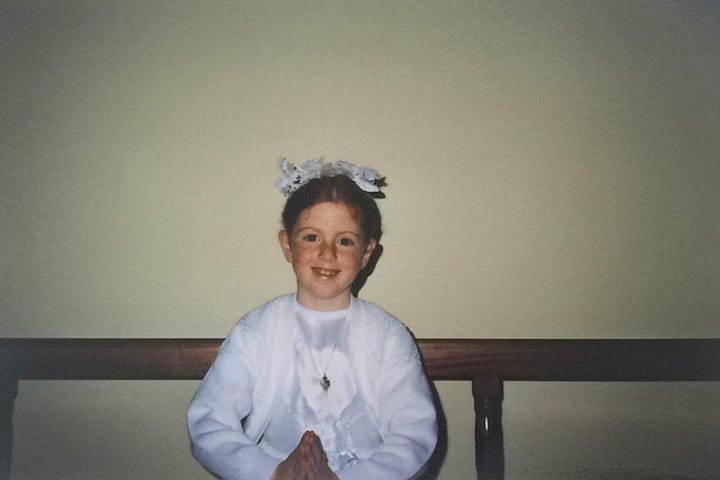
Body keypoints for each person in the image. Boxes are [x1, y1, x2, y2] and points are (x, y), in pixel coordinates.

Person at [187, 159, 438, 480]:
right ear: (287, 245)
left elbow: (414, 433)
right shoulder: (257, 330)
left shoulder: (387, 336)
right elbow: (209, 421)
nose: (327, 253)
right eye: (311, 238)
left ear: (366, 253)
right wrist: (273, 472)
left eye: (345, 240)